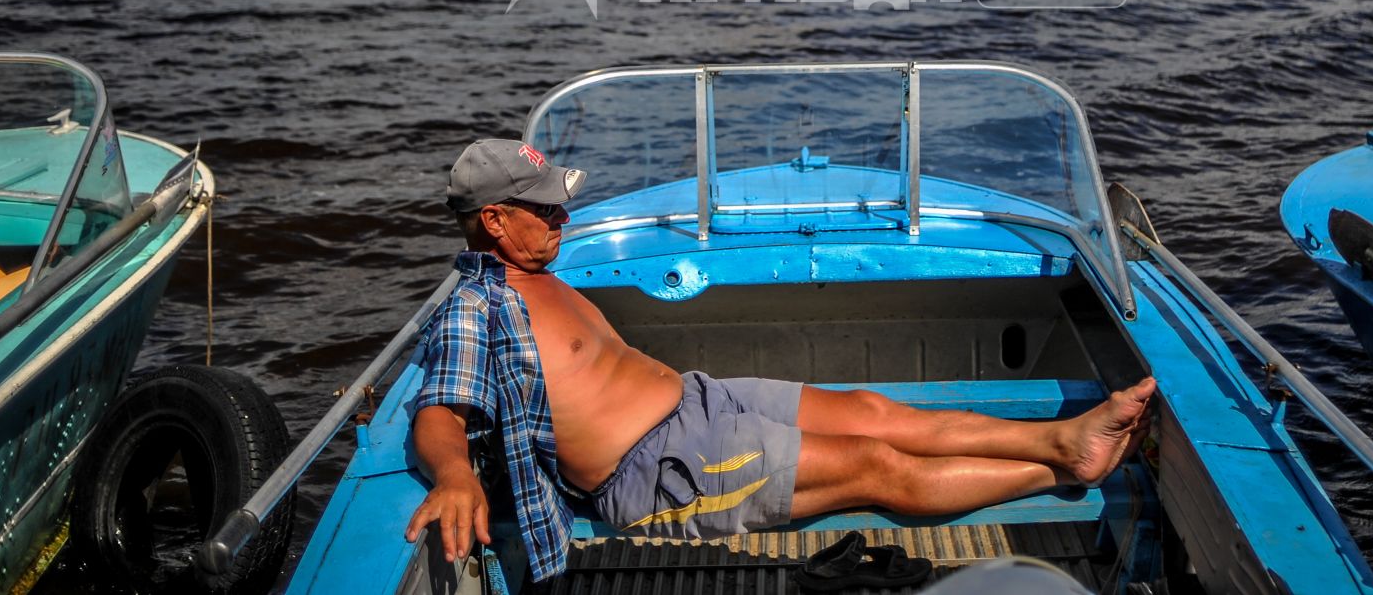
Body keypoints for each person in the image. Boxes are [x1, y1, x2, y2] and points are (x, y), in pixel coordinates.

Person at [404, 140, 1157, 582]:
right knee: (872, 462)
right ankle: (1067, 467)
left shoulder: (540, 273)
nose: (563, 217)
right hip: (660, 467)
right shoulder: (476, 309)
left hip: (695, 401)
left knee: (869, 408)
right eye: (545, 209)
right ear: (495, 220)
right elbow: (440, 407)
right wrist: (456, 472)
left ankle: (1059, 437)